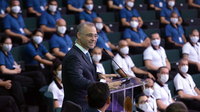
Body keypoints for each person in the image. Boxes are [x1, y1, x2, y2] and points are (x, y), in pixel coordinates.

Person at [62, 22, 106, 110]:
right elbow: (77, 80)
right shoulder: (73, 56)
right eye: (90, 35)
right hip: (78, 107)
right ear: (78, 35)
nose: (94, 39)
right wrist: (101, 86)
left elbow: (84, 71)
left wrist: (98, 75)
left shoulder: (85, 53)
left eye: (95, 36)